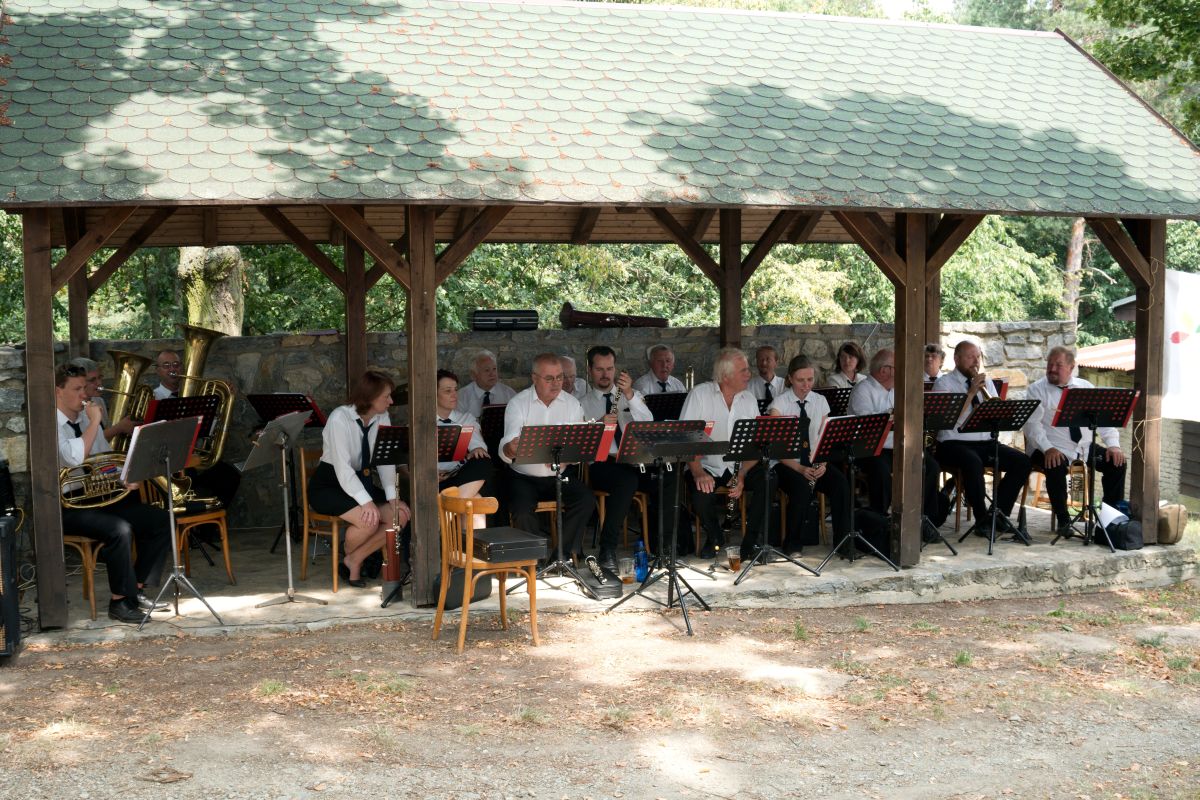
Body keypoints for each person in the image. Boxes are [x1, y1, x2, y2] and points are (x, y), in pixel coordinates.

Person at [55, 363, 171, 624]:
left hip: (97, 496)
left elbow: (105, 458)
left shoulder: (83, 418)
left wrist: (122, 476)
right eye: (77, 389)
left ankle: (136, 589)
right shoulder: (53, 423)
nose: (84, 394)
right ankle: (119, 603)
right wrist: (96, 421)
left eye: (85, 388)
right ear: (57, 391)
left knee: (160, 519)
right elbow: (73, 458)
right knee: (119, 529)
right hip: (67, 505)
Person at [307, 370, 411, 587]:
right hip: (329, 485)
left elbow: (384, 459)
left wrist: (392, 496)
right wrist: (367, 502)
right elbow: (343, 470)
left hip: (360, 483)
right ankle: (352, 563)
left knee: (399, 515)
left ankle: (353, 559)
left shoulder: (382, 416)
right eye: (386, 396)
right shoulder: (339, 418)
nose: (391, 401)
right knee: (368, 521)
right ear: (370, 397)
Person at [1022, 346, 1127, 537]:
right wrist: (1048, 449)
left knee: (1117, 462)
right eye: (1050, 364)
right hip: (1047, 447)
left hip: (1083, 448)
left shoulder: (1085, 387)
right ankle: (1064, 520)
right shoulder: (1036, 389)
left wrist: (1114, 445)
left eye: (1058, 365)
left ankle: (1110, 519)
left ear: (1071, 367)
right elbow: (1032, 427)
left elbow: (1103, 421)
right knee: (1055, 463)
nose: (1052, 368)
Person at [932, 341, 1032, 537]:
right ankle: (981, 520)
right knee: (973, 462)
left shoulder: (986, 384)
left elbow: (995, 414)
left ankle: (998, 514)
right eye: (970, 357)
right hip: (953, 443)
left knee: (1022, 462)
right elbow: (947, 420)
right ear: (957, 359)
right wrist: (970, 394)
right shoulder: (944, 383)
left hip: (985, 443)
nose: (975, 361)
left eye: (978, 357)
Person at [500, 353, 593, 560]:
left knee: (586, 500)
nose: (556, 383)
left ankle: (562, 556)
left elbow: (578, 450)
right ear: (534, 378)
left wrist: (567, 457)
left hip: (559, 474)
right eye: (549, 378)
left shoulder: (571, 404)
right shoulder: (518, 403)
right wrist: (511, 449)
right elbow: (507, 445)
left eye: (560, 377)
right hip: (524, 477)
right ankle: (535, 561)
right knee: (522, 511)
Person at [680, 348, 767, 558]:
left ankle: (751, 542)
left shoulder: (749, 399)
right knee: (701, 494)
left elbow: (756, 446)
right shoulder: (699, 395)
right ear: (726, 376)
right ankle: (715, 536)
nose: (749, 374)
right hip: (706, 465)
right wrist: (698, 472)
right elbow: (686, 440)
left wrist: (742, 475)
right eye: (743, 371)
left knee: (768, 479)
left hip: (740, 466)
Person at [846, 349, 943, 529]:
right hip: (871, 449)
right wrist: (891, 416)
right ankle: (879, 521)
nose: (902, 372)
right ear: (885, 370)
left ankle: (927, 522)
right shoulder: (863, 390)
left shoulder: (897, 389)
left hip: (899, 446)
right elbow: (867, 426)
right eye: (898, 368)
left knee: (930, 467)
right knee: (881, 471)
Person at [579, 345, 654, 572]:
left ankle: (662, 545)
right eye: (600, 369)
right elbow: (580, 443)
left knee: (666, 476)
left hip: (633, 460)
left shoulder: (630, 395)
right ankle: (607, 548)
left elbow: (648, 423)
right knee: (626, 482)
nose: (605, 374)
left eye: (610, 369)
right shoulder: (581, 403)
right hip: (603, 463)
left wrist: (630, 395)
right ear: (590, 370)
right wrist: (598, 425)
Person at [767, 354, 850, 557]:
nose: (806, 385)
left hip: (813, 461)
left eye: (810, 380)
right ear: (790, 379)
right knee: (802, 488)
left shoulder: (820, 401)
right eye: (800, 380)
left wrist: (822, 463)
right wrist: (800, 469)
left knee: (841, 484)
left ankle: (843, 543)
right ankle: (792, 544)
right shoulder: (779, 405)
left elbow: (824, 438)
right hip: (786, 463)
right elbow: (776, 449)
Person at [150, 349, 241, 512]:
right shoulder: (154, 398)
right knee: (187, 481)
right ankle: (190, 531)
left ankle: (207, 530)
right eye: (166, 365)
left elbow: (210, 429)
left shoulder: (196, 396)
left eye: (176, 364)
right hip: (170, 465)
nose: (173, 369)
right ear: (157, 370)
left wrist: (222, 402)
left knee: (231, 477)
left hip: (197, 458)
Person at [435, 368, 494, 529]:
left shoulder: (465, 418)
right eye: (448, 391)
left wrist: (476, 449)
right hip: (432, 480)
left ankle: (446, 513)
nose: (454, 394)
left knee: (483, 461)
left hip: (459, 479)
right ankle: (465, 554)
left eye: (455, 390)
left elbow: (478, 445)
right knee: (475, 500)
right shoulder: (421, 422)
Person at [68, 356, 134, 439]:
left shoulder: (98, 400)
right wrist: (119, 428)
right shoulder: (74, 408)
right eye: (92, 380)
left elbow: (106, 429)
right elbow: (86, 441)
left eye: (100, 377)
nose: (99, 383)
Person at [456, 349, 517, 417]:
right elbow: (458, 423)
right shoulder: (462, 397)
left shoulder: (509, 394)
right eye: (487, 370)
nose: (492, 374)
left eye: (494, 369)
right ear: (473, 375)